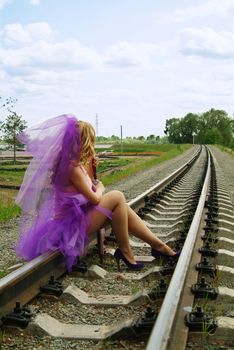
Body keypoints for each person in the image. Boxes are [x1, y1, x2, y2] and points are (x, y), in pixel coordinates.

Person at [15, 114, 178, 272]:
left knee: (123, 208)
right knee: (117, 196)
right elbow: (94, 198)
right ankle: (129, 251)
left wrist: (92, 171)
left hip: (77, 219)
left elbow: (87, 192)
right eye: (90, 142)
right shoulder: (72, 168)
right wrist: (101, 187)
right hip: (71, 227)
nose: (92, 146)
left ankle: (157, 246)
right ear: (83, 143)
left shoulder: (74, 165)